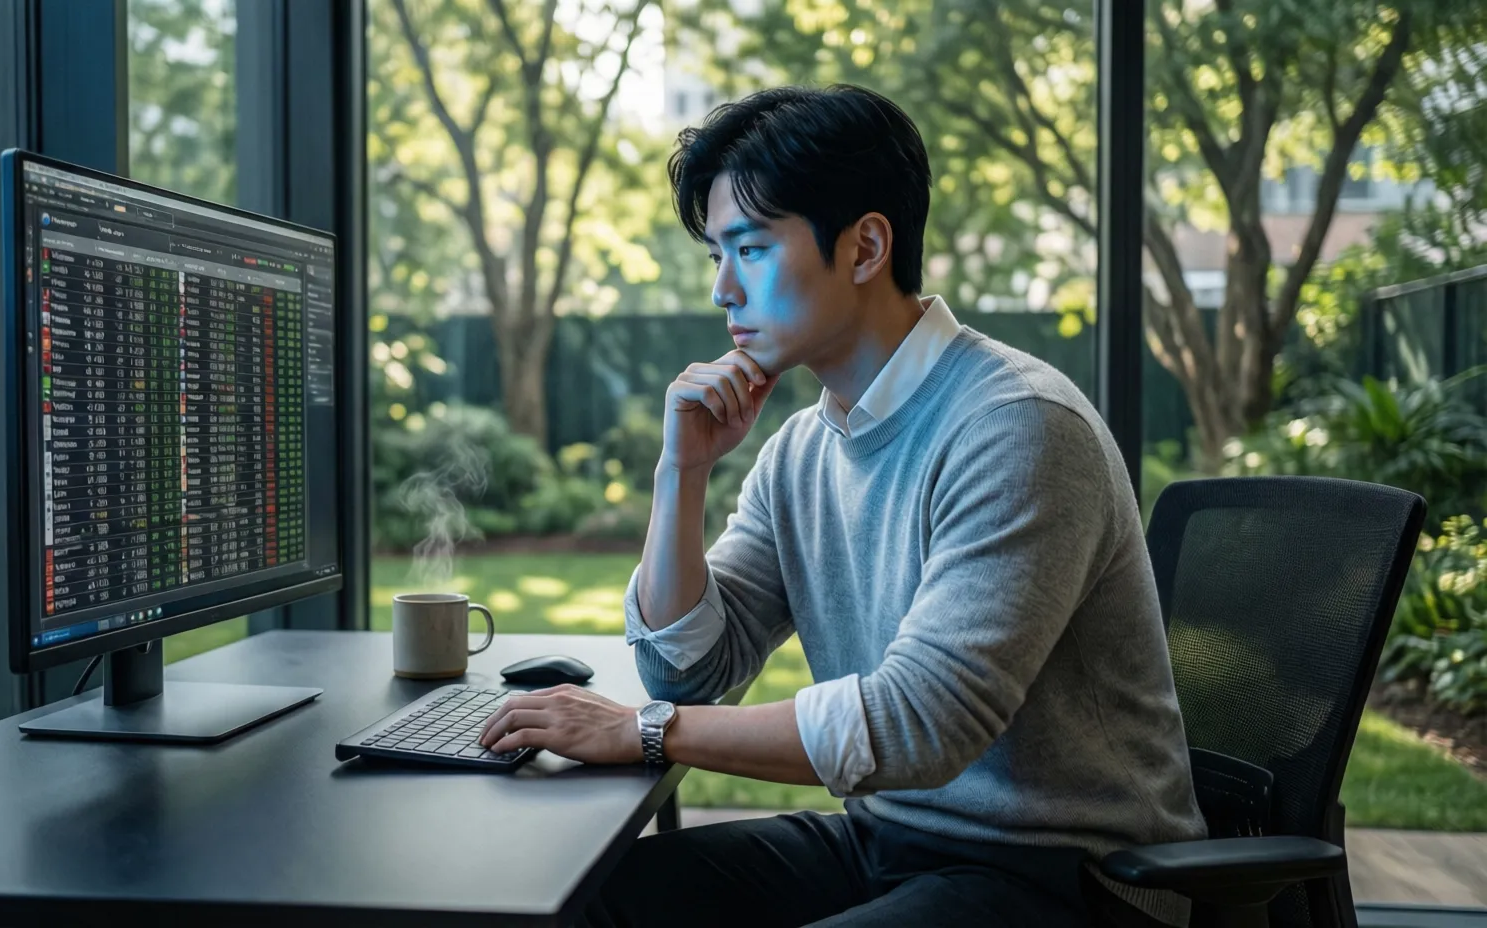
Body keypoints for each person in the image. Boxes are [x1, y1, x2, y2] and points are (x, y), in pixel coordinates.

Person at [477, 83, 1205, 927]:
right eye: (716, 254)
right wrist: (680, 473)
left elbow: (920, 722)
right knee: (588, 905)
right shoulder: (802, 452)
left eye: (748, 249)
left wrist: (647, 730)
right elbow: (688, 673)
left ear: (864, 248)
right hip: (890, 843)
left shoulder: (1017, 427)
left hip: (1074, 878)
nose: (722, 289)